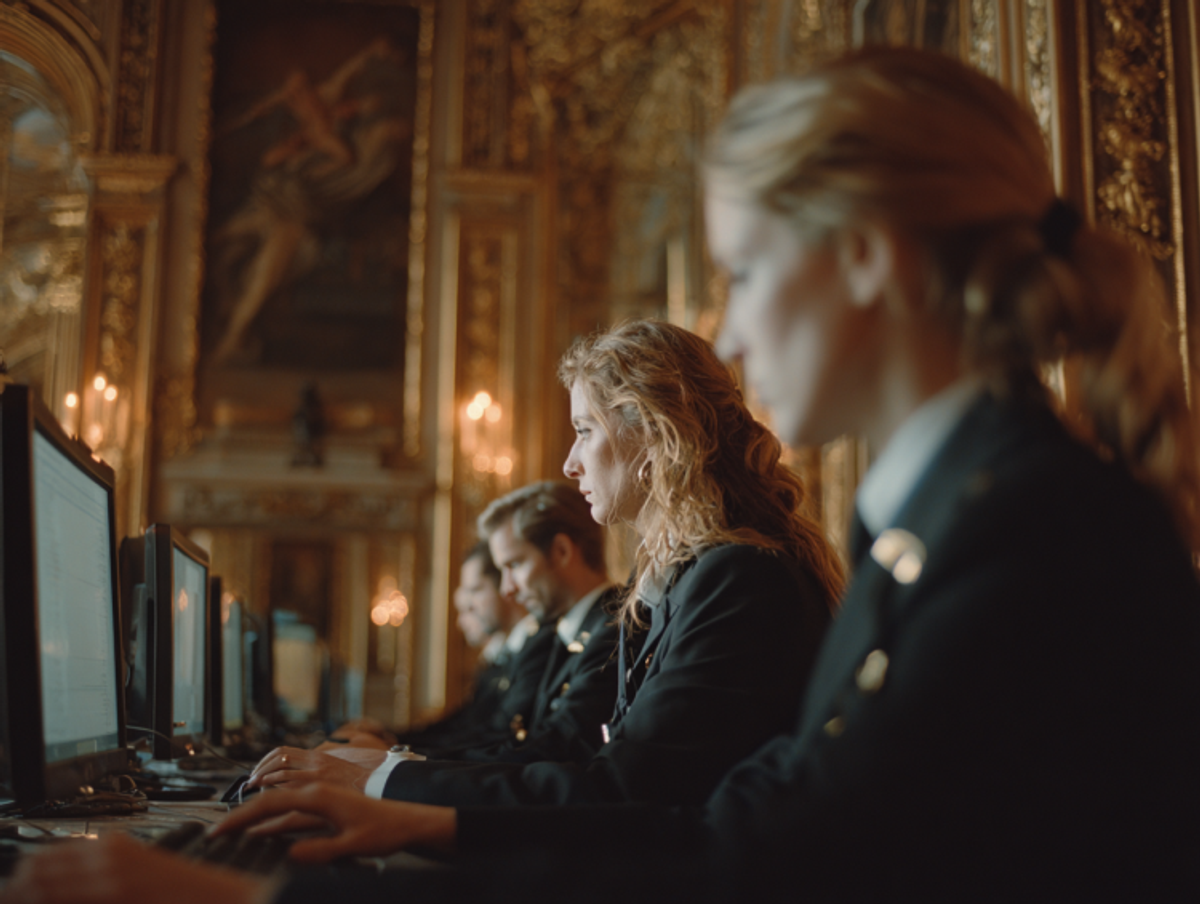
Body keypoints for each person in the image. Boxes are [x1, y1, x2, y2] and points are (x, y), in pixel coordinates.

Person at [13, 43, 1197, 903]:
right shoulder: (968, 511)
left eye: (745, 273)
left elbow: (741, 863)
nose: (734, 334)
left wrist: (260, 892)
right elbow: (749, 829)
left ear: (864, 258)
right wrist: (392, 818)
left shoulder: (1027, 533)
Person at [240, 322, 838, 808]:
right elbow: (599, 770)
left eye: (584, 430)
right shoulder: (679, 579)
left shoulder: (738, 580)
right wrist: (380, 778)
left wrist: (380, 782)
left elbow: (624, 792)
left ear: (654, 432)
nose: (570, 462)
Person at [324, 539, 534, 752]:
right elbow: (462, 725)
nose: (468, 605)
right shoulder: (503, 657)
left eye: (476, 590)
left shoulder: (532, 650)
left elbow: (489, 737)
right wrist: (393, 740)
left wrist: (395, 748)